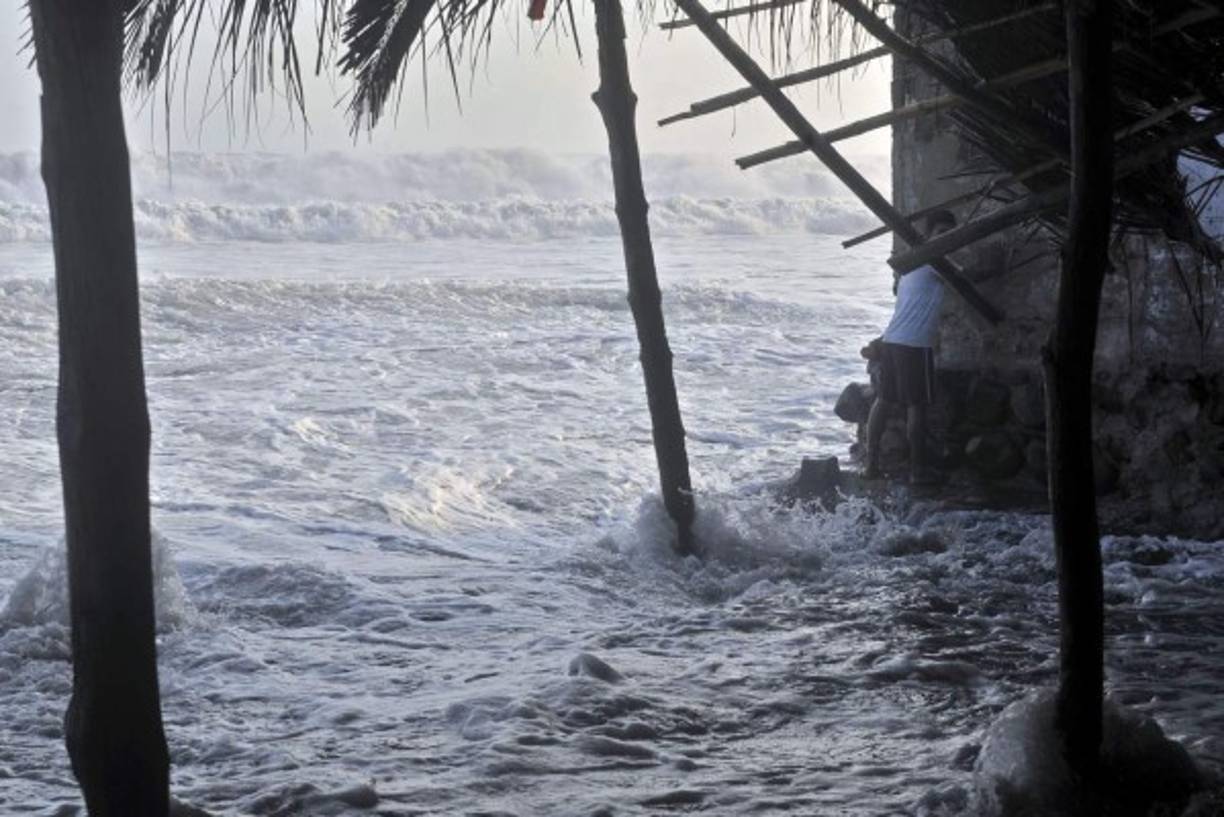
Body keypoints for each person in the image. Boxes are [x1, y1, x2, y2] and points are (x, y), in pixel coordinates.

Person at [864, 209, 957, 485]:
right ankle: (918, 471)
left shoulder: (911, 265)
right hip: (914, 345)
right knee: (916, 407)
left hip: (892, 341)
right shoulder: (936, 263)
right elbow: (972, 276)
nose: (947, 238)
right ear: (929, 236)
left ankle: (871, 464)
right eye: (941, 233)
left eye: (951, 233)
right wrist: (998, 261)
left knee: (885, 400)